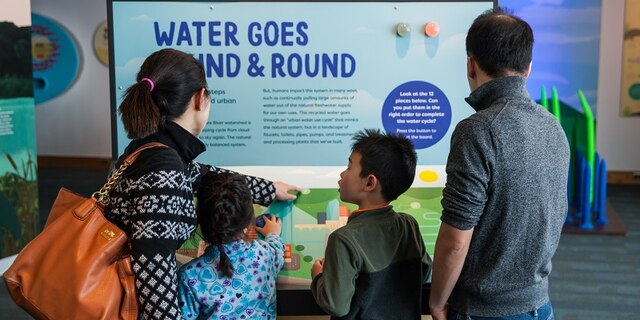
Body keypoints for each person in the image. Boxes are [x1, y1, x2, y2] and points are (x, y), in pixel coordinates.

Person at [105, 48, 300, 319]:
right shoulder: (164, 169)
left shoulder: (156, 149)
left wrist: (268, 188)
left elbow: (205, 175)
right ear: (201, 98)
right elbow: (152, 270)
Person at [428, 7, 570, 320]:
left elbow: (455, 239)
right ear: (528, 68)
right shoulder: (553, 126)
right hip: (540, 307)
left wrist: (437, 301)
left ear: (470, 64)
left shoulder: (477, 130)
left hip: (482, 311)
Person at [310, 128, 433, 319]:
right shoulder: (409, 225)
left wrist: (319, 276)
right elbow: (424, 272)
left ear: (369, 183)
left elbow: (336, 305)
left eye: (349, 167)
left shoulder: (343, 239)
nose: (343, 173)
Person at [177, 172, 285, 319]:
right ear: (248, 221)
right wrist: (273, 234)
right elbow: (277, 248)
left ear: (200, 220)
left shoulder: (189, 275)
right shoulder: (265, 255)